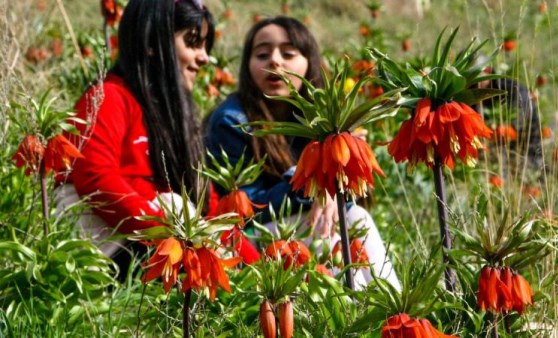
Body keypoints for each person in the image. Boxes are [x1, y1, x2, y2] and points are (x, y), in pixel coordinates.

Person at [204, 16, 401, 290]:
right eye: (262, 53)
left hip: (300, 228)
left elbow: (351, 197)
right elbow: (240, 207)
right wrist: (313, 187)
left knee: (353, 220)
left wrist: (340, 169)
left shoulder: (317, 118)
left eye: (288, 53)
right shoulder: (230, 121)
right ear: (248, 66)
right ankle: (367, 315)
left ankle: (390, 315)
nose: (274, 60)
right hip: (247, 237)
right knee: (331, 231)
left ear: (309, 62)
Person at [54, 0, 215, 281]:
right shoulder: (110, 97)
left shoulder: (169, 114)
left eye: (204, 46)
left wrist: (255, 258)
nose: (204, 58)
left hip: (141, 235)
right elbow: (95, 177)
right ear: (152, 43)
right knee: (177, 209)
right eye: (192, 43)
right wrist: (163, 233)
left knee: (185, 210)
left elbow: (208, 204)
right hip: (108, 243)